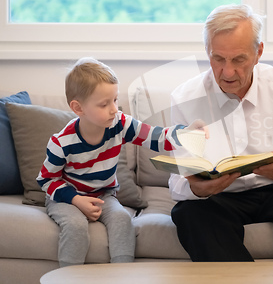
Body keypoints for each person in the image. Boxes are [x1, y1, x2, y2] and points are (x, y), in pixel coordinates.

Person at [168, 4, 273, 261]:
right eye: (218, 58)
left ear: (258, 52)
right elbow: (177, 183)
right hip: (221, 198)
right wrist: (200, 188)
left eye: (238, 59)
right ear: (207, 52)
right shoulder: (185, 98)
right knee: (187, 212)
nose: (227, 72)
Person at [37, 58, 206, 267]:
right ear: (78, 108)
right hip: (66, 198)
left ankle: (122, 274)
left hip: (102, 195)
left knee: (123, 220)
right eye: (104, 104)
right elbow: (46, 180)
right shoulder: (61, 142)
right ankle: (68, 277)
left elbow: (157, 138)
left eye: (115, 100)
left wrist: (187, 133)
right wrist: (76, 200)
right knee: (75, 225)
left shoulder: (120, 123)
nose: (114, 109)